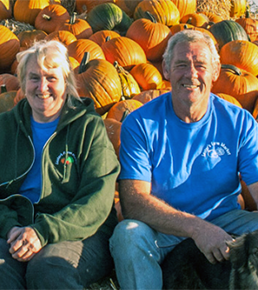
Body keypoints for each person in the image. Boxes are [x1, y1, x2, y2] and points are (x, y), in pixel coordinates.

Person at [110, 29, 258, 290]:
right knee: (127, 236)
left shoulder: (240, 122)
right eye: (181, 65)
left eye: (200, 65)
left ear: (215, 72)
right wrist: (197, 229)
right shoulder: (140, 123)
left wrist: (208, 227)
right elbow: (133, 202)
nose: (191, 74)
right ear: (166, 70)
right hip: (164, 227)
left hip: (225, 218)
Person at [0, 40, 120, 290]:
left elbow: (98, 199)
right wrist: (9, 228)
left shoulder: (88, 127)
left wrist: (43, 232)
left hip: (80, 232)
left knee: (48, 268)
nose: (42, 87)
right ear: (22, 81)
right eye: (33, 78)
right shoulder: (2, 127)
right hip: (17, 227)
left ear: (66, 83)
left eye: (51, 77)